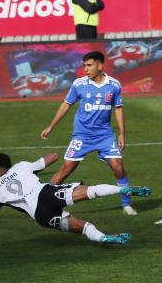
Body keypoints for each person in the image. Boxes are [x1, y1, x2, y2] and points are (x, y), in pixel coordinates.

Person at [0, 153, 149, 249]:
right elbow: (53, 156)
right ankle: (122, 189)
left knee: (84, 227)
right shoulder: (22, 167)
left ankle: (105, 237)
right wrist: (40, 166)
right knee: (90, 192)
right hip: (46, 193)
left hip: (40, 215)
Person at [40, 51, 136, 215]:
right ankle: (41, 200)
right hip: (82, 136)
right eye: (84, 65)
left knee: (118, 168)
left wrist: (122, 134)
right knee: (66, 169)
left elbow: (118, 108)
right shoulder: (79, 84)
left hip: (105, 136)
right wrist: (51, 126)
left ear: (100, 65)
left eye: (89, 65)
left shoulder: (114, 85)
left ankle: (126, 204)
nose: (86, 69)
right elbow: (66, 105)